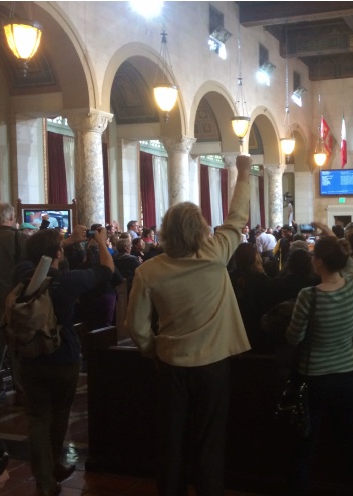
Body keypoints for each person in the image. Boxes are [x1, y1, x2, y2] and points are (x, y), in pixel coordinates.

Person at [125, 154, 252, 496]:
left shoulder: (147, 272)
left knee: (171, 444)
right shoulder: (216, 254)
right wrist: (243, 172)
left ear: (165, 231)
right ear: (201, 230)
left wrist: (153, 349)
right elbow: (237, 217)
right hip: (213, 366)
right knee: (210, 444)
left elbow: (135, 326)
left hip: (171, 366)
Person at [17, 225, 114, 496]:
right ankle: (53, 467)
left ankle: (44, 478)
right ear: (58, 253)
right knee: (59, 415)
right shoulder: (66, 280)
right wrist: (102, 242)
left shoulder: (21, 275)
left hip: (29, 356)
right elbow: (107, 269)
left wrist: (63, 241)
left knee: (37, 418)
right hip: (63, 356)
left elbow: (33, 257)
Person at [286, 222, 353, 496]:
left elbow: (294, 338)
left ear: (320, 262)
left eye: (314, 255)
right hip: (347, 375)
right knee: (349, 441)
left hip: (315, 380)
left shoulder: (308, 296)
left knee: (304, 447)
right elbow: (346, 263)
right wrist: (332, 236)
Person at [0, 202, 29, 407]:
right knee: (17, 350)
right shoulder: (18, 238)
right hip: (13, 302)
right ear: (11, 217)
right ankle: (21, 391)